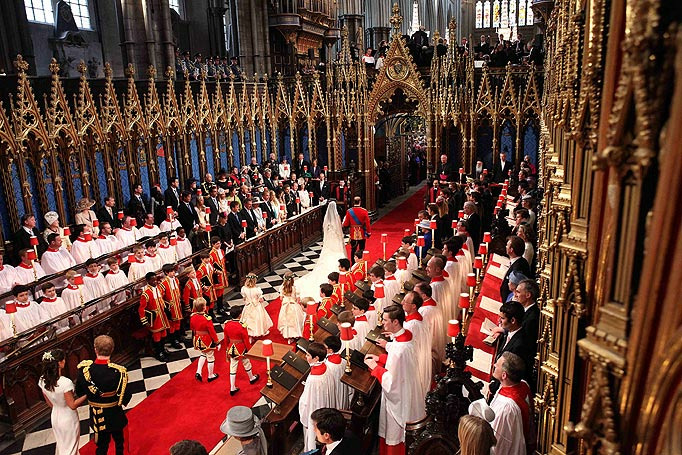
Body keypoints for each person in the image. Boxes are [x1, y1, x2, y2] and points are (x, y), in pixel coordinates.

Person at [364, 305, 425, 454]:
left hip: (401, 396)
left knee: (394, 433)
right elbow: (402, 362)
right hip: (409, 385)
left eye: (385, 320)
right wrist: (382, 357)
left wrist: (375, 367)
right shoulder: (406, 335)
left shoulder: (400, 349)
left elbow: (392, 383)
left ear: (396, 322)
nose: (382, 323)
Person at [76, 335, 132, 455]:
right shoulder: (119, 372)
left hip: (97, 417)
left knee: (101, 447)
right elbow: (126, 397)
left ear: (95, 349)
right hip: (116, 415)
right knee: (120, 444)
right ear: (112, 349)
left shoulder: (84, 370)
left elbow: (79, 392)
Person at [295, 201, 347, 299]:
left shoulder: (326, 220)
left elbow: (324, 230)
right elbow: (340, 232)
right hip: (335, 242)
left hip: (329, 243)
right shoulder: (337, 218)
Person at [39, 349, 87, 455]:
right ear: (60, 363)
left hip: (55, 415)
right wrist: (88, 394)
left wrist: (58, 406)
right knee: (71, 448)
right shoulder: (65, 383)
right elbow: (72, 405)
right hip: (68, 418)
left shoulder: (42, 380)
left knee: (62, 446)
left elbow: (49, 403)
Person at [489, 352, 533, 454]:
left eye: (498, 364)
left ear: (504, 375)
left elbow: (497, 442)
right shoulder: (523, 385)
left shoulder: (506, 407)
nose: (494, 365)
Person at [299, 341, 334, 452]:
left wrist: (304, 414)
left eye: (308, 355)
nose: (306, 357)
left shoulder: (313, 379)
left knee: (312, 437)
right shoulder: (326, 366)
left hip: (315, 409)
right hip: (324, 404)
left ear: (316, 358)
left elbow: (307, 401)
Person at [400, 291, 432, 396]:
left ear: (414, 306)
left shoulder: (412, 324)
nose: (401, 302)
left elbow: (405, 346)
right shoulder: (416, 319)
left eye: (405, 301)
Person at [224, 305, 260, 395]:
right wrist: (249, 350)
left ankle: (232, 387)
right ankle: (251, 378)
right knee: (246, 363)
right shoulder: (242, 326)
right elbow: (246, 340)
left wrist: (227, 349)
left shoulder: (227, 324)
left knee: (233, 367)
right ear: (240, 315)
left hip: (231, 348)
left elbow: (226, 339)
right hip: (241, 348)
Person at [139, 272, 170, 361]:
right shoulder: (146, 293)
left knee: (164, 334)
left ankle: (163, 349)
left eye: (156, 279)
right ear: (148, 281)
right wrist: (145, 320)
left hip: (162, 315)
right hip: (155, 318)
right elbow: (141, 309)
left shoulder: (159, 288)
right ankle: (158, 352)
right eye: (153, 280)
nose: (155, 282)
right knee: (157, 336)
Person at [414, 282, 446, 370]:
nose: (413, 296)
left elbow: (421, 331)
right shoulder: (433, 303)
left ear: (424, 296)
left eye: (416, 294)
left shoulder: (425, 311)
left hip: (429, 343)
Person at [190, 297, 220, 383]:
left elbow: (192, 328)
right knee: (210, 356)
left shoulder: (193, 317)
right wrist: (217, 342)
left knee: (203, 354)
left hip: (197, 339)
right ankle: (210, 375)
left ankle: (198, 372)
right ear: (204, 307)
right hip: (206, 340)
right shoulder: (207, 319)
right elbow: (212, 332)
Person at [239, 273, 273, 338]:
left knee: (248, 320)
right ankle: (260, 331)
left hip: (248, 306)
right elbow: (261, 300)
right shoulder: (257, 290)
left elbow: (244, 298)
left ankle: (250, 334)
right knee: (258, 319)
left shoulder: (243, 289)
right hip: (256, 306)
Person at [500, 236, 532, 302]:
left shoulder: (518, 268)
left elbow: (515, 289)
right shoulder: (520, 261)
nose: (506, 247)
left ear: (511, 250)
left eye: (507, 245)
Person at [159, 264, 184, 349]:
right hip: (171, 307)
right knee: (172, 324)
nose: (174, 273)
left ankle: (178, 337)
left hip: (177, 305)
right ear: (166, 273)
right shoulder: (163, 284)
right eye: (172, 271)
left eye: (174, 271)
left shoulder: (176, 280)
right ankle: (173, 340)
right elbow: (161, 298)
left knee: (178, 322)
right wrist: (167, 306)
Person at [323, 335, 351, 409]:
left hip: (334, 390)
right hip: (341, 388)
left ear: (331, 350)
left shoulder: (328, 365)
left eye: (325, 348)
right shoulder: (343, 360)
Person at [277, 272, 304, 342]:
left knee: (286, 320)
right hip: (293, 306)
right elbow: (298, 300)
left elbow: (281, 298)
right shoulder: (295, 288)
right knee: (295, 320)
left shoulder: (282, 287)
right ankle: (295, 334)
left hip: (285, 306)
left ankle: (288, 335)